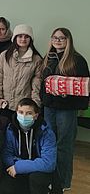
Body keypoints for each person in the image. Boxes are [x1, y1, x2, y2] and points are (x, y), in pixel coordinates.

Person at [41, 28, 89, 192]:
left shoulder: (77, 60)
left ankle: (63, 182)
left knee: (64, 145)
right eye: (55, 37)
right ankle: (50, 178)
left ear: (69, 40)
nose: (58, 41)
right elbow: (42, 84)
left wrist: (66, 95)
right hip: (49, 108)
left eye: (62, 38)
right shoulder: (48, 58)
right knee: (49, 143)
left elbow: (84, 87)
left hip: (66, 110)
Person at [0, 98, 56, 194]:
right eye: (21, 112)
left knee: (37, 180)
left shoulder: (46, 132)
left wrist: (19, 167)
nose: (24, 116)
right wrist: (16, 166)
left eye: (29, 113)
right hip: (16, 168)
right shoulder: (10, 129)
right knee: (5, 188)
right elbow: (6, 154)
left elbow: (49, 163)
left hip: (37, 171)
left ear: (36, 115)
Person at [0, 24, 42, 121]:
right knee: (5, 131)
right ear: (15, 38)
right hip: (5, 104)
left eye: (26, 36)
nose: (23, 39)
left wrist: (35, 104)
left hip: (24, 107)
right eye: (20, 36)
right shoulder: (5, 56)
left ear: (31, 39)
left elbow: (37, 84)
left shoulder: (36, 59)